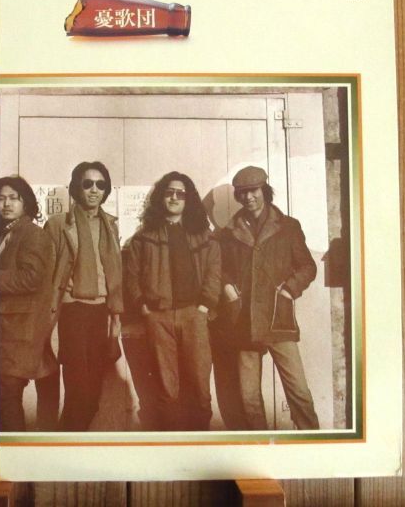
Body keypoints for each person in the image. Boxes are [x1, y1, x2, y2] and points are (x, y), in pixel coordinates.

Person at [215, 165, 319, 430]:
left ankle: (312, 442)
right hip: (243, 321)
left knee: (299, 392)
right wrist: (227, 287)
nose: (248, 197)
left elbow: (307, 267)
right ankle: (259, 446)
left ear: (265, 190)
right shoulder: (229, 232)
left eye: (254, 191)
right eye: (242, 193)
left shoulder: (288, 227)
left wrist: (288, 290)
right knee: (248, 398)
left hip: (277, 318)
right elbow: (219, 268)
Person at [124, 172, 220, 431]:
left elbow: (214, 271)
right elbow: (131, 276)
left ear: (188, 199)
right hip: (159, 317)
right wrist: (144, 307)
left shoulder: (204, 236)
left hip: (194, 315)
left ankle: (200, 443)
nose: (174, 198)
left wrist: (204, 306)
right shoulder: (143, 237)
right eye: (169, 193)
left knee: (200, 385)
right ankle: (171, 441)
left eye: (180, 193)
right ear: (161, 197)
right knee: (167, 387)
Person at [44, 161, 123, 431]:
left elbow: (115, 272)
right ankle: (64, 444)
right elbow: (47, 272)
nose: (94, 190)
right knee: (78, 390)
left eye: (100, 185)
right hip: (72, 311)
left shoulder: (110, 225)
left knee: (93, 395)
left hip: (102, 312)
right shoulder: (58, 224)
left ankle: (66, 441)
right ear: (77, 187)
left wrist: (115, 319)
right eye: (87, 184)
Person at [0, 176, 59, 432]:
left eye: (14, 198)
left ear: (26, 203)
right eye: (1, 199)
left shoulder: (32, 234)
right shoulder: (4, 233)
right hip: (8, 329)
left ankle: (17, 449)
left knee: (7, 394)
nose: (6, 204)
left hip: (21, 329)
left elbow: (31, 278)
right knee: (4, 395)